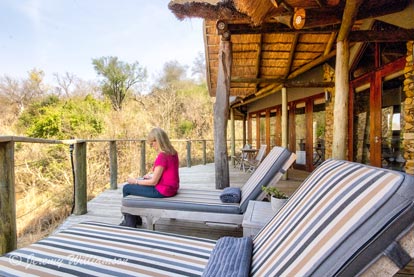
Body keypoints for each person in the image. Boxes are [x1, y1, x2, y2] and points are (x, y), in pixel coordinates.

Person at [120, 127, 180, 228]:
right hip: (172, 188)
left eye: (152, 144)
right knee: (139, 182)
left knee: (127, 188)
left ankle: (130, 222)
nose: (152, 147)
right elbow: (168, 173)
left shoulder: (162, 156)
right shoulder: (173, 153)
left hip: (162, 191)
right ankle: (136, 219)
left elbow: (153, 182)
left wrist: (135, 181)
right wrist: (151, 175)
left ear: (157, 140)